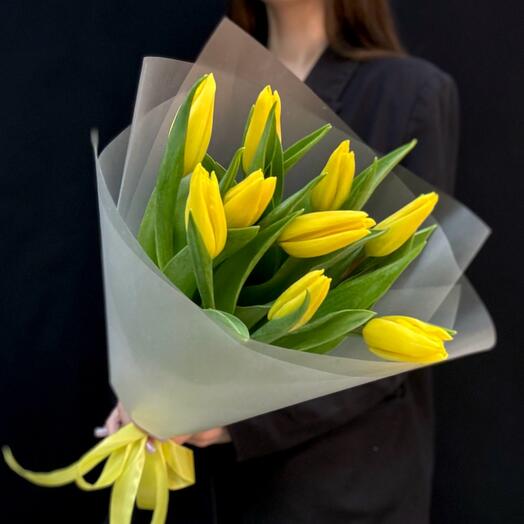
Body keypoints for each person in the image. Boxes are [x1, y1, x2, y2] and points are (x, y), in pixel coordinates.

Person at [101, 1, 459, 522]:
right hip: (234, 489)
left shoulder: (408, 93)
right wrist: (150, 393)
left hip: (346, 486)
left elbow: (407, 320)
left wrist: (231, 421)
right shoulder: (214, 86)